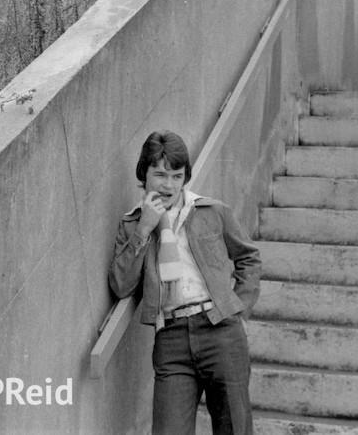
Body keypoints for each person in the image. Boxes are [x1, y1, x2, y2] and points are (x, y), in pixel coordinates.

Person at [109, 130, 261, 435]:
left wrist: (237, 309)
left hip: (221, 331)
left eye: (176, 176)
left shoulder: (211, 211)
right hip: (172, 339)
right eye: (160, 174)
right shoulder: (132, 225)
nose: (168, 185)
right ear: (144, 174)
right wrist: (144, 228)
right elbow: (121, 285)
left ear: (185, 177)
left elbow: (249, 257)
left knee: (235, 428)